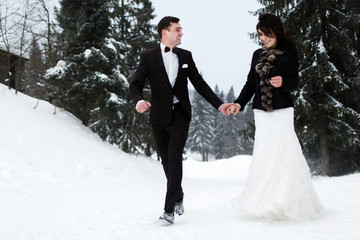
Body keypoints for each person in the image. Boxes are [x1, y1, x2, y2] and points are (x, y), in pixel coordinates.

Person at [129, 16, 235, 224]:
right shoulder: (148, 56)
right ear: (165, 32)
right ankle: (178, 195)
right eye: (177, 29)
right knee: (167, 162)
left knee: (175, 156)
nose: (181, 33)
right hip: (158, 115)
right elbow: (135, 85)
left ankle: (168, 211)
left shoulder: (186, 56)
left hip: (180, 113)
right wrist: (139, 101)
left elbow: (200, 84)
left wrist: (219, 105)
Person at [229, 13, 324, 220]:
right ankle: (264, 201)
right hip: (261, 112)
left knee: (287, 151)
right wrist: (238, 103)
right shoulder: (256, 54)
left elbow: (294, 82)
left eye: (266, 34)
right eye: (260, 35)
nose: (263, 38)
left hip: (282, 111)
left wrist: (284, 83)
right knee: (265, 153)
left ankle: (291, 200)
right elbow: (250, 84)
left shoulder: (289, 53)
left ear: (276, 32)